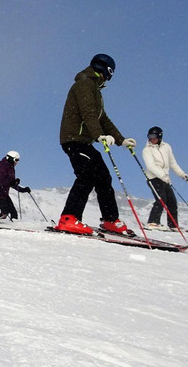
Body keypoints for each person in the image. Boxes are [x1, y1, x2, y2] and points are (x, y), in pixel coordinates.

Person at [55, 53, 136, 235]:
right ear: (106, 70)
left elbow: (103, 119)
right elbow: (88, 113)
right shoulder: (85, 84)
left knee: (103, 177)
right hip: (74, 139)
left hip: (84, 141)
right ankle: (68, 218)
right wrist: (99, 135)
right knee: (86, 175)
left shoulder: (94, 89)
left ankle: (110, 220)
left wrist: (121, 140)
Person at [142, 126, 188, 230]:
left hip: (165, 178)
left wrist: (182, 174)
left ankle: (173, 225)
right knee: (161, 199)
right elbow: (151, 166)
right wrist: (162, 175)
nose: (151, 139)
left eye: (154, 136)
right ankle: (153, 222)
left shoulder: (166, 147)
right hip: (153, 178)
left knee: (172, 202)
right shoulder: (147, 150)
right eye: (149, 136)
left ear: (160, 136)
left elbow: (172, 163)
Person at [0, 150, 30, 220]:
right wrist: (13, 182)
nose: (17, 162)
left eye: (18, 160)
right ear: (10, 159)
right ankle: (1, 221)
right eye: (16, 160)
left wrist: (23, 190)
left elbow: (11, 184)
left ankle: (12, 223)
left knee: (13, 212)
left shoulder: (11, 169)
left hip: (4, 194)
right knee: (6, 211)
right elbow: (2, 181)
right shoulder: (3, 168)